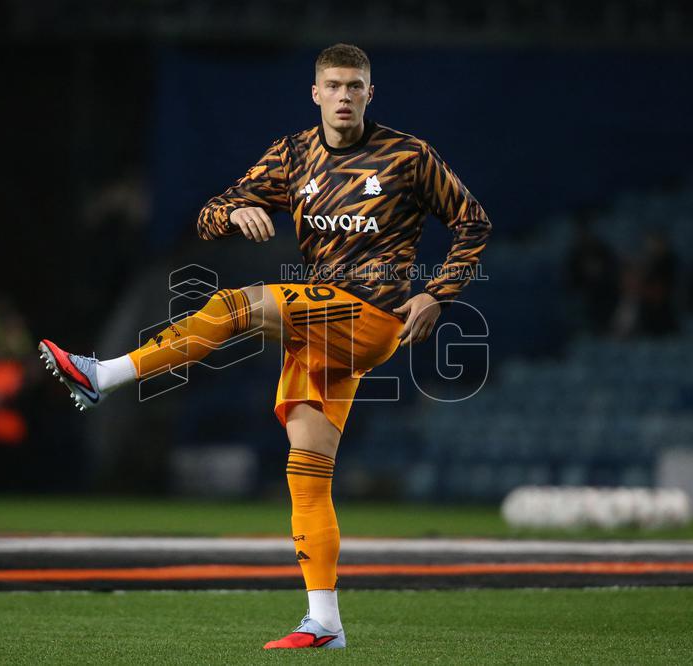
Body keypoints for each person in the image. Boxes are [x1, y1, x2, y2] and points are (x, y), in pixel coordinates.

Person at [39, 43, 491, 649]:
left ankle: (104, 376)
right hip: (323, 328)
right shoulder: (294, 154)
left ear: (370, 93)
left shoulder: (408, 156)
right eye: (333, 85)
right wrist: (238, 213)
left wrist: (438, 294)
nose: (344, 96)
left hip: (374, 316)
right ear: (315, 93)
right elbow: (210, 213)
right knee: (307, 475)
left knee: (239, 305)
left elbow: (473, 221)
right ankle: (325, 623)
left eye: (355, 85)